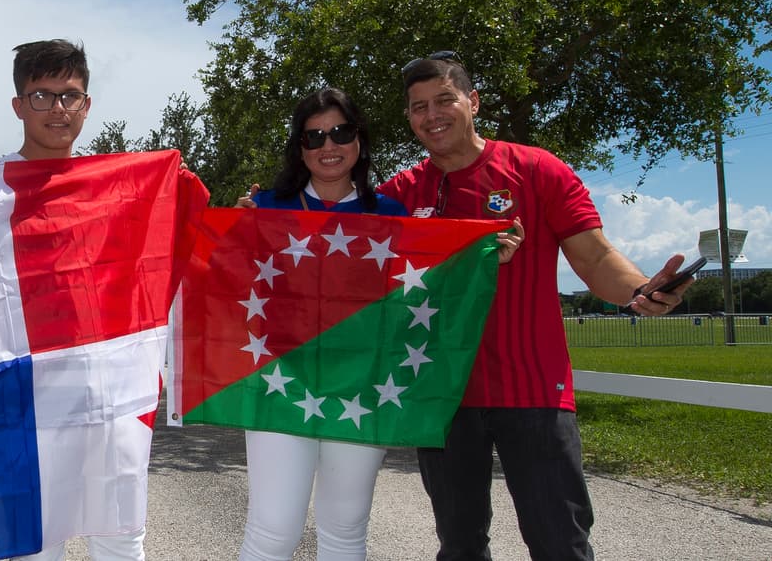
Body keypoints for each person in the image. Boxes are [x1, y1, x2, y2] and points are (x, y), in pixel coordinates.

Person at [378, 53, 693, 561]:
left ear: (472, 102)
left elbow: (594, 257)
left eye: (444, 100)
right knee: (459, 545)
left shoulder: (536, 168)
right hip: (441, 394)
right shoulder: (400, 193)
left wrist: (640, 291)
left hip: (534, 389)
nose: (431, 115)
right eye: (418, 107)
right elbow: (340, 251)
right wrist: (262, 214)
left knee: (559, 542)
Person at [231, 88, 404, 561]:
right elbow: (221, 282)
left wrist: (488, 251)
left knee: (345, 528)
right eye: (315, 137)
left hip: (362, 389)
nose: (328, 146)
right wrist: (230, 232)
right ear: (300, 148)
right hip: (280, 386)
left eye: (341, 133)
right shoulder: (263, 208)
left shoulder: (391, 215)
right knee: (272, 527)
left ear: (360, 141)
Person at [4, 39, 145, 561]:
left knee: (121, 541)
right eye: (41, 95)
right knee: (36, 545)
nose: (57, 109)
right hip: (27, 401)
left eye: (70, 96)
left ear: (87, 106)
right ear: (18, 105)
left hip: (111, 395)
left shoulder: (118, 186)